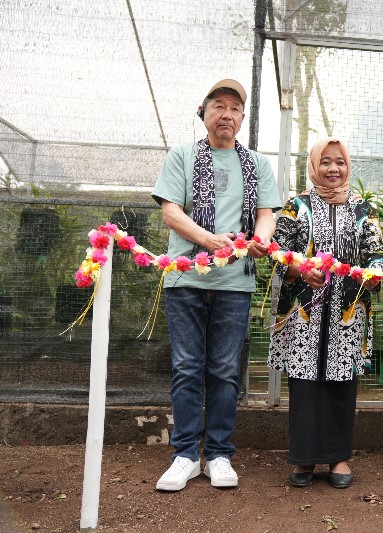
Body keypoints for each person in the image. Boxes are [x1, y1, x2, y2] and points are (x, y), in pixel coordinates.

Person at [151, 79, 282, 491]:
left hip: (233, 283)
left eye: (235, 108)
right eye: (219, 105)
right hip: (186, 278)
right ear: (203, 112)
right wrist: (207, 240)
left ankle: (220, 453)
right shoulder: (182, 156)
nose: (227, 114)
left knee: (225, 371)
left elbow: (266, 213)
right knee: (186, 367)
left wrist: (260, 239)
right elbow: (170, 211)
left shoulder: (257, 163)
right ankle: (186, 455)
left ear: (242, 119)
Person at [268, 137, 383, 489]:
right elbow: (278, 250)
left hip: (348, 311)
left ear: (348, 166)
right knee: (304, 382)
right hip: (304, 309)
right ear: (314, 166)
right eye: (325, 162)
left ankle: (338, 458)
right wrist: (299, 269)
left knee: (342, 383)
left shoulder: (365, 210)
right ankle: (304, 459)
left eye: (340, 162)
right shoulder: (296, 206)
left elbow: (376, 252)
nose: (333, 169)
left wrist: (372, 271)